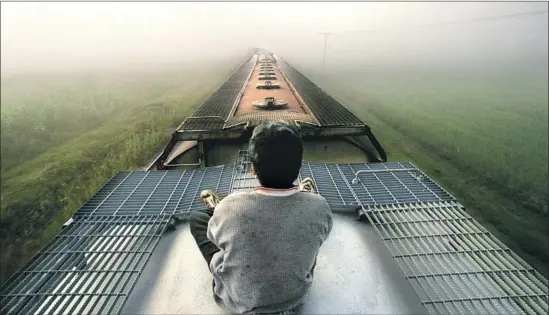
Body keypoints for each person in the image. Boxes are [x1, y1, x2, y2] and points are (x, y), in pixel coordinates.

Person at [189, 121, 333, 315]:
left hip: (238, 300)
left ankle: (213, 208)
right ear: (299, 168)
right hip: (294, 297)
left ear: (253, 169)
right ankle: (302, 192)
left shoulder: (230, 206)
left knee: (199, 217)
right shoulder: (320, 206)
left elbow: (215, 239)